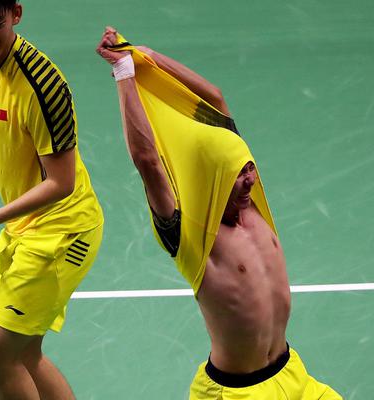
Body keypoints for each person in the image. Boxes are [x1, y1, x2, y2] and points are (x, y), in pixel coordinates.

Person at [96, 27, 342, 399]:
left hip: (293, 374)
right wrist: (124, 72)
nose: (249, 180)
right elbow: (147, 161)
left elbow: (215, 98)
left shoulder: (254, 205)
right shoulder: (193, 239)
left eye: (249, 168)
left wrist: (147, 57)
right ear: (215, 179)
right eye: (238, 175)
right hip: (237, 392)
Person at [0, 1, 104, 398]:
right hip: (24, 226)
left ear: (16, 14)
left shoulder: (43, 85)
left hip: (63, 230)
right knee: (24, 353)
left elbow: (61, 182)